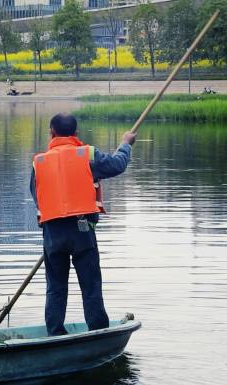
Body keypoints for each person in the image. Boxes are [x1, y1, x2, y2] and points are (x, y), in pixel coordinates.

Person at [29, 113, 137, 336]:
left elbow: (37, 196)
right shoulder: (87, 154)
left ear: (51, 133)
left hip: (53, 234)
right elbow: (117, 165)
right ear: (76, 133)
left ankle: (54, 333)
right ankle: (98, 332)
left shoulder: (39, 161)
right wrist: (125, 144)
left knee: (55, 288)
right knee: (90, 286)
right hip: (82, 231)